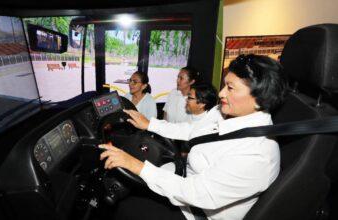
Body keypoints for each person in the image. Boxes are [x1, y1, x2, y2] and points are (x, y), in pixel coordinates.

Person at [100, 54, 287, 220]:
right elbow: (193, 131)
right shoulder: (225, 112)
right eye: (224, 85)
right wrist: (150, 124)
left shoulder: (257, 154)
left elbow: (196, 192)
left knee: (126, 207)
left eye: (230, 88)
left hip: (198, 212)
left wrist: (134, 165)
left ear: (259, 100)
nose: (221, 93)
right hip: (188, 181)